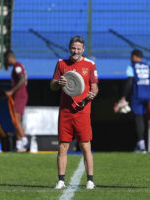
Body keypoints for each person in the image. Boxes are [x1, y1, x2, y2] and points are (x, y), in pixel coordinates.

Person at [50, 36, 99, 189]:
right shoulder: (61, 64)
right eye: (73, 48)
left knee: (85, 146)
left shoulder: (90, 64)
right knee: (63, 146)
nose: (75, 51)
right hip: (65, 112)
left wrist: (93, 94)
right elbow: (52, 85)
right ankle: (61, 181)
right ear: (69, 48)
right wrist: (58, 83)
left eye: (78, 49)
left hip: (82, 111)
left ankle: (90, 180)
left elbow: (95, 86)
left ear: (83, 49)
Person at [117, 49, 150, 153]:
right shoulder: (149, 67)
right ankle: (148, 144)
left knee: (138, 119)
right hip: (148, 95)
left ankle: (141, 145)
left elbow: (129, 81)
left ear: (134, 56)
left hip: (137, 95)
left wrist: (123, 96)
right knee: (147, 119)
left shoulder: (131, 67)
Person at [4, 50, 29, 152]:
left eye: (6, 60)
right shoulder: (17, 66)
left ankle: (25, 141)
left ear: (10, 58)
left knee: (16, 119)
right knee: (16, 120)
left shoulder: (17, 66)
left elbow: (22, 79)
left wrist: (12, 91)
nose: (6, 62)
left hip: (20, 95)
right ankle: (19, 145)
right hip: (19, 95)